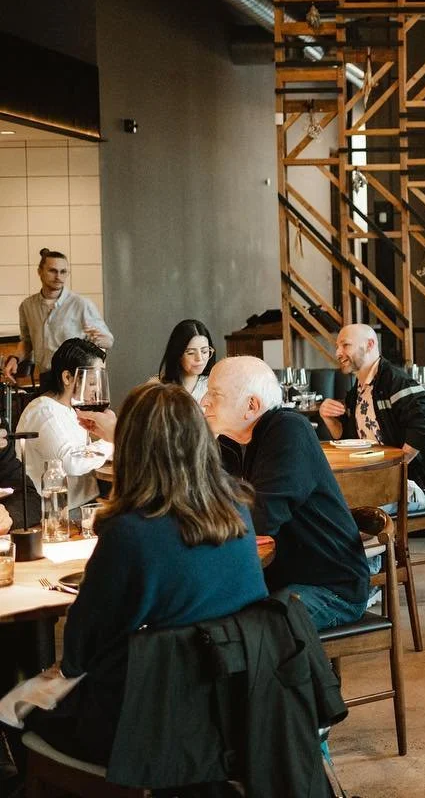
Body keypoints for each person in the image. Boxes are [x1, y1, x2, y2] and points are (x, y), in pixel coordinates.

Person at [18, 382, 267, 766]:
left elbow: (80, 651)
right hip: (238, 708)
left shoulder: (130, 531)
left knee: (16, 706)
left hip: (147, 727)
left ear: (130, 447)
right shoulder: (238, 511)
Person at [203, 356, 370, 630]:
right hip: (277, 579)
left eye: (215, 395)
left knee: (240, 634)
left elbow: (262, 517)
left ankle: (309, 673)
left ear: (252, 405)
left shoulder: (287, 429)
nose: (204, 402)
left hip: (331, 589)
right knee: (200, 619)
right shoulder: (231, 443)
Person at [319, 324, 425, 509]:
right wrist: (328, 418)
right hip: (367, 481)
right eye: (337, 346)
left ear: (370, 344)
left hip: (407, 485)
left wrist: (392, 471)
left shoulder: (397, 381)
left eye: (345, 345)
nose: (338, 353)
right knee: (321, 505)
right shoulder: (356, 391)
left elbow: (422, 427)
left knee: (353, 514)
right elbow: (347, 440)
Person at [15, 338, 112, 513]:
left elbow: (84, 452)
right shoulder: (44, 411)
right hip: (59, 514)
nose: (97, 390)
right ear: (67, 377)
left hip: (84, 503)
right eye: (92, 383)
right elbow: (71, 463)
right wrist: (112, 440)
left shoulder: (71, 409)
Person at [3, 249, 113, 381]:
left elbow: (108, 340)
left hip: (75, 378)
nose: (58, 276)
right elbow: (27, 342)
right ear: (40, 271)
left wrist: (100, 339)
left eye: (63, 272)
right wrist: (14, 359)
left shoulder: (81, 304)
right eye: (52, 271)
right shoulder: (27, 306)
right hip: (46, 377)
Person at [153, 319, 217, 402]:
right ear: (177, 354)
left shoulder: (213, 386)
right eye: (190, 353)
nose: (199, 359)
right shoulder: (157, 386)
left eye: (204, 351)